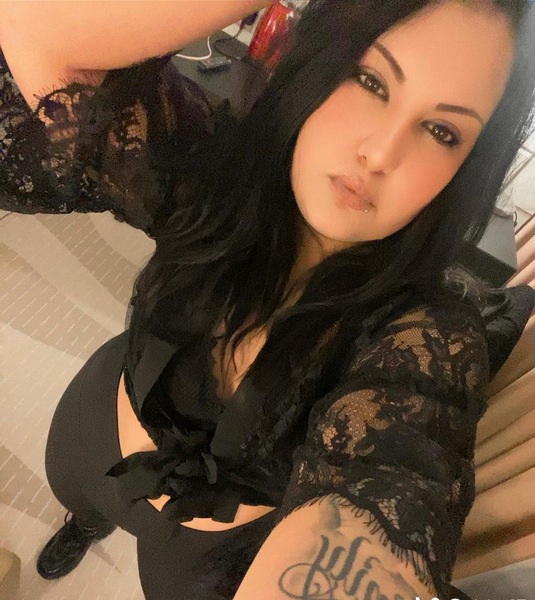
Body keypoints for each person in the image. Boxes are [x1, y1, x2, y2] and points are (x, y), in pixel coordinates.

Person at [1, 1, 534, 598]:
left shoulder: (428, 339)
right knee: (79, 501)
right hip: (97, 435)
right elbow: (35, 30)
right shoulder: (212, 166)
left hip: (206, 558)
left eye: (442, 132)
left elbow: (393, 478)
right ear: (321, 59)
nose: (381, 153)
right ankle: (84, 525)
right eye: (370, 80)